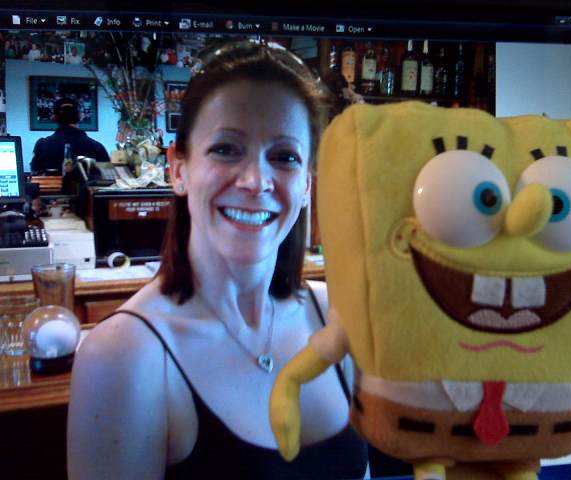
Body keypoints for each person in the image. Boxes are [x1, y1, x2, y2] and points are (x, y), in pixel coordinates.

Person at [67, 41, 368, 479]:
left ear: (306, 184)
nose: (256, 181)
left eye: (284, 157)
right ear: (178, 169)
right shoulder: (122, 356)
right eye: (226, 148)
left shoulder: (338, 315)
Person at [31, 97, 110, 173]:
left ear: (54, 117)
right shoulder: (96, 147)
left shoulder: (42, 145)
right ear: (80, 116)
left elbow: (35, 174)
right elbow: (108, 176)